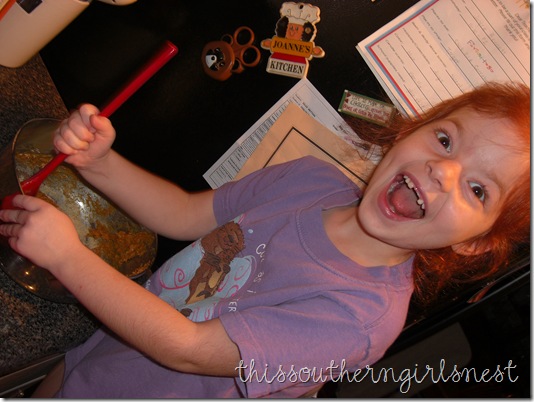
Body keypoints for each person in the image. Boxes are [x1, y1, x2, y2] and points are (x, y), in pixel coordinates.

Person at [0, 81, 529, 398]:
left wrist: (67, 257)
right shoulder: (310, 179)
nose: (443, 170)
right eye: (445, 139)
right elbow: (183, 213)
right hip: (109, 350)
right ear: (412, 129)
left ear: (476, 243)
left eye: (477, 189)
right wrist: (100, 163)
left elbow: (188, 350)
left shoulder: (359, 320)